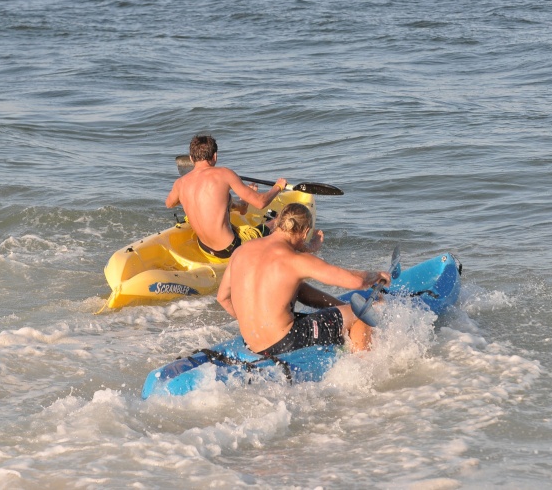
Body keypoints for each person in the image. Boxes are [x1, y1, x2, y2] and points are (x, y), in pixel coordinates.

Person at [216, 203, 391, 354]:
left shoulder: (241, 251)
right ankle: (363, 367)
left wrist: (254, 326)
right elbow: (357, 282)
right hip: (286, 342)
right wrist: (376, 275)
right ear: (305, 231)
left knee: (300, 291)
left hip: (253, 344)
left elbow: (223, 298)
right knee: (359, 314)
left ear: (277, 223)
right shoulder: (295, 260)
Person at [166, 132, 290, 260]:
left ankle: (243, 204)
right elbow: (260, 202)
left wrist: (188, 196)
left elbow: (169, 203)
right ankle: (255, 211)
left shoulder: (180, 183)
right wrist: (278, 186)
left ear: (191, 159)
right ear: (215, 156)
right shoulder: (224, 173)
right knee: (275, 222)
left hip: (204, 248)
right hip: (229, 249)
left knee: (226, 201)